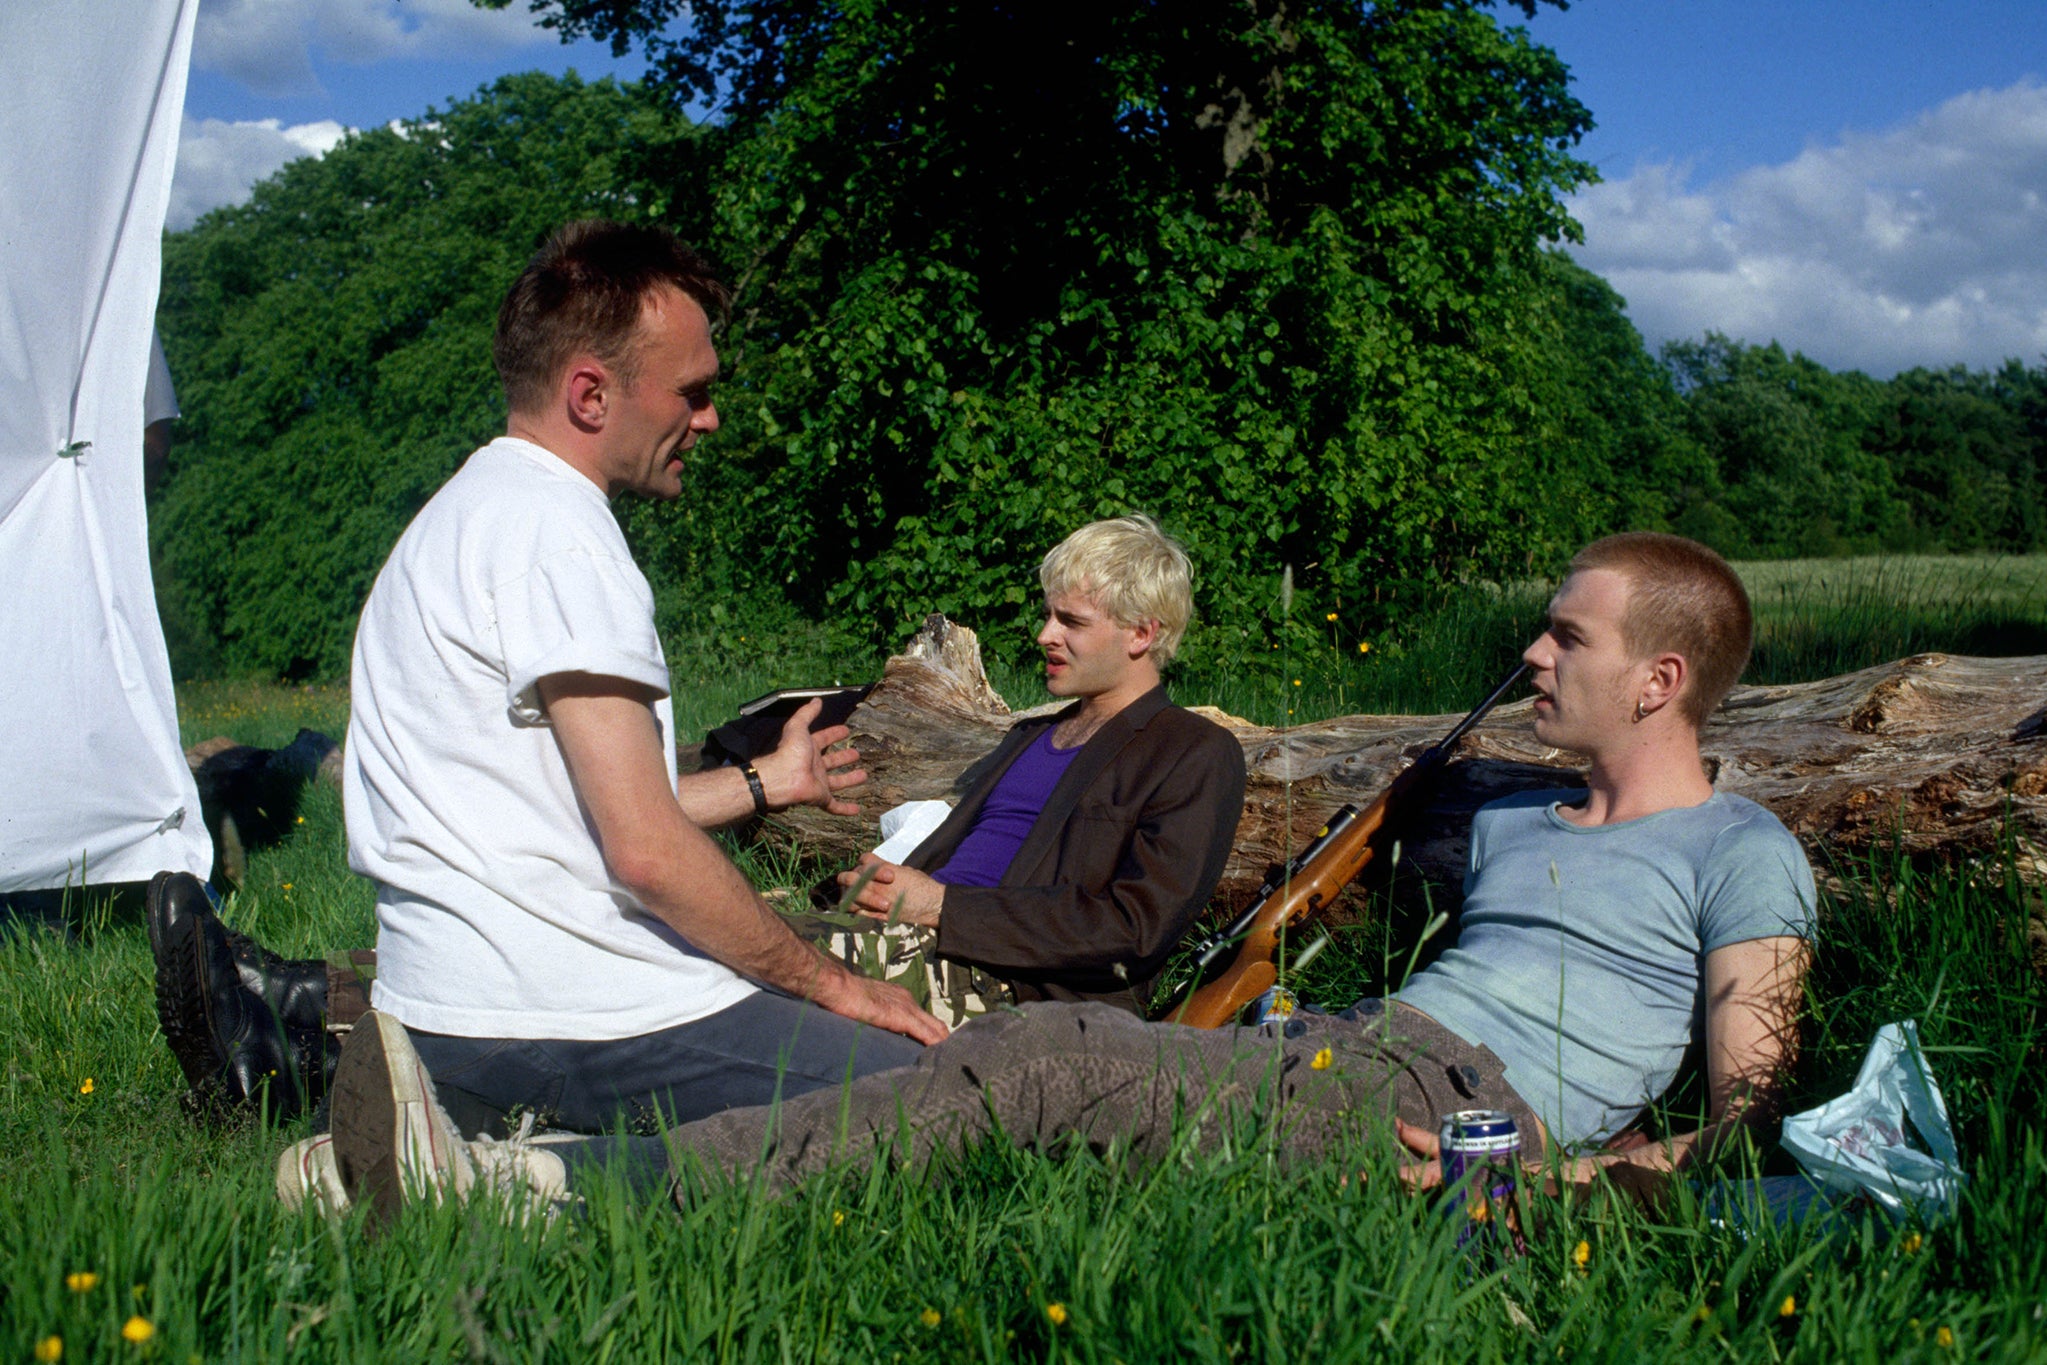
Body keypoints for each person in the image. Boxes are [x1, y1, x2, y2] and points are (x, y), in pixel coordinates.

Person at [321, 532, 1818, 1217]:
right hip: (1340, 1048)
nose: (1532, 653)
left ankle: (548, 1190)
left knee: (1038, 1067)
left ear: (1659, 679)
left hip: (1451, 1104)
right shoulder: (1511, 820)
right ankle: (476, 1117)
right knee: (1044, 1079)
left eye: (1567, 637)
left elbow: (1749, 1117)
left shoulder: (1738, 849)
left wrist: (1550, 1179)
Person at [150, 223, 1245, 1136]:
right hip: (573, 1016)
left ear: (1145, 633)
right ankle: (510, 1171)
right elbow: (643, 848)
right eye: (694, 390)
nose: (710, 417)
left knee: (907, 1037)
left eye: (1071, 618)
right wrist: (833, 983)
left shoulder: (466, 515)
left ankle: (317, 1046)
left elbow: (577, 807)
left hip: (477, 999)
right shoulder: (559, 539)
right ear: (591, 393)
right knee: (954, 1104)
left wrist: (777, 795)